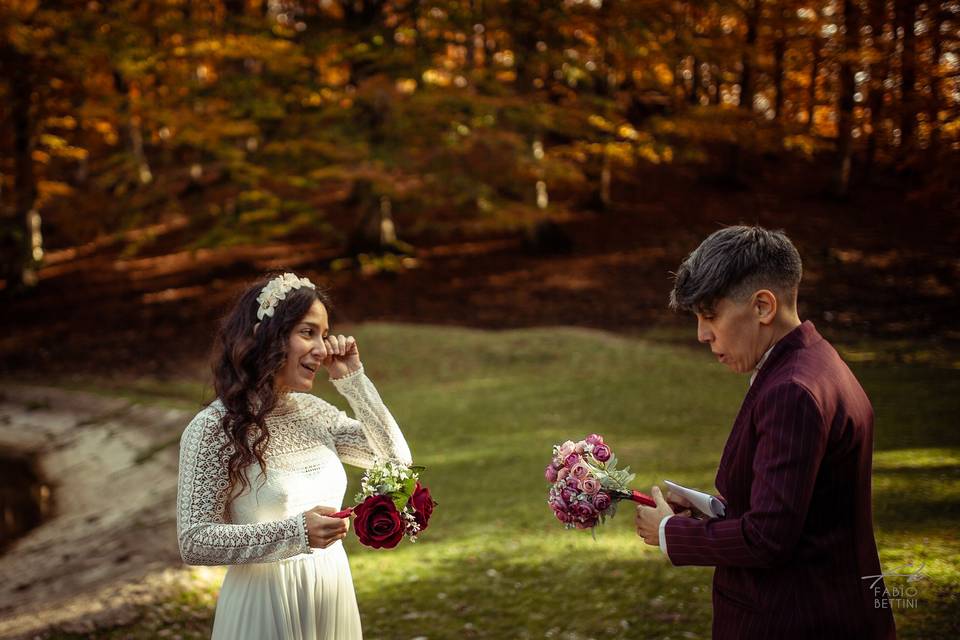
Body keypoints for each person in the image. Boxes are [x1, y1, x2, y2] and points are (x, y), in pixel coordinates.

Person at [634, 226, 896, 639]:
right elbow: (798, 505)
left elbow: (768, 538)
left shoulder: (792, 390)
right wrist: (711, 508)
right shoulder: (816, 360)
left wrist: (670, 533)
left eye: (710, 315)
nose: (702, 335)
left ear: (762, 307)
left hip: (798, 619)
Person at [176, 272, 412, 640]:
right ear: (267, 337)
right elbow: (194, 540)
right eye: (308, 332)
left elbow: (397, 460)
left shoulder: (315, 412)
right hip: (264, 602)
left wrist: (354, 381)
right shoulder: (213, 428)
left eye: (324, 333)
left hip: (330, 589)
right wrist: (296, 532)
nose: (322, 348)